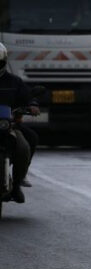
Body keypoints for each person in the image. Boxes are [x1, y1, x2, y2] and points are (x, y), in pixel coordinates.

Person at [0, 43, 38, 203]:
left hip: (9, 126)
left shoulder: (14, 81)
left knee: (27, 143)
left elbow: (28, 96)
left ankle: (16, 183)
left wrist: (33, 105)